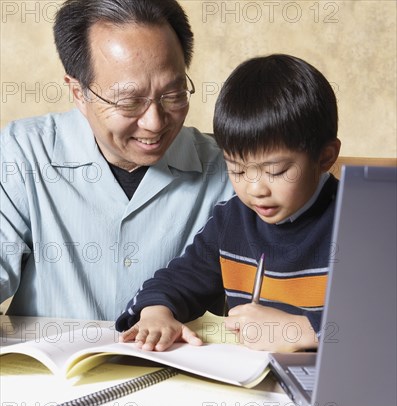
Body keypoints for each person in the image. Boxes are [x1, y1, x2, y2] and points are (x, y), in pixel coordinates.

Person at [0, 0, 233, 320]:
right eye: (129, 101)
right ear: (79, 92)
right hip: (51, 369)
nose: (154, 122)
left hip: (177, 369)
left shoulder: (232, 167)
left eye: (173, 94)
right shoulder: (24, 151)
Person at [116, 54, 341, 352]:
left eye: (276, 171)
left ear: (325, 157)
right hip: (248, 384)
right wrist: (156, 312)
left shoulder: (358, 221)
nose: (255, 189)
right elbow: (179, 278)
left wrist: (301, 330)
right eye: (236, 169)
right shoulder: (232, 219)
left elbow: (380, 321)